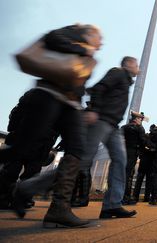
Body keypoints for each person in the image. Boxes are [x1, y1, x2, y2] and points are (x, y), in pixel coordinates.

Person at [3, 24, 102, 228]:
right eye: (99, 38)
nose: (100, 43)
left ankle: (59, 208)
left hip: (71, 103)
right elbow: (52, 37)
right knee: (22, 148)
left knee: (78, 151)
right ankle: (21, 191)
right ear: (90, 33)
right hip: (48, 95)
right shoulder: (76, 32)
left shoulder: (89, 54)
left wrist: (88, 109)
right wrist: (83, 49)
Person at [78, 56, 139, 218]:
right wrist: (94, 110)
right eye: (136, 64)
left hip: (113, 126)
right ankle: (28, 188)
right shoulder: (118, 73)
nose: (138, 68)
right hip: (102, 121)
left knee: (120, 161)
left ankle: (111, 205)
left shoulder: (125, 81)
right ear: (128, 65)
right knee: (82, 161)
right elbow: (98, 88)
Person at [121, 111, 147, 205]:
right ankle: (126, 197)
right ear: (136, 119)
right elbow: (143, 141)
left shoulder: (124, 127)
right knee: (128, 175)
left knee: (122, 174)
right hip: (132, 153)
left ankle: (120, 196)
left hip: (123, 152)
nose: (141, 121)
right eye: (140, 119)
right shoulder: (139, 128)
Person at [132, 124, 156, 203]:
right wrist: (151, 149)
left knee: (141, 179)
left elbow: (145, 146)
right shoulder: (153, 138)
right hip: (148, 160)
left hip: (146, 160)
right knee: (146, 180)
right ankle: (142, 197)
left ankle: (136, 196)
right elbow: (145, 146)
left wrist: (148, 148)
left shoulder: (149, 137)